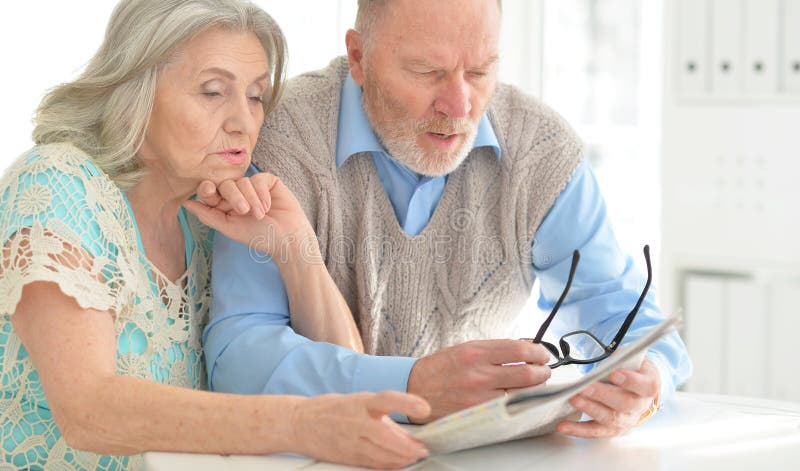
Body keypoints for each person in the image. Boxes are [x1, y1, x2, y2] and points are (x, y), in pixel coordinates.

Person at [207, 0, 693, 439]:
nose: (461, 106)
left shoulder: (540, 153)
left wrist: (647, 383)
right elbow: (239, 354)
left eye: (480, 72)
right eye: (427, 71)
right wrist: (413, 385)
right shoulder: (279, 139)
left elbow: (630, 320)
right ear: (358, 58)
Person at [0, 1, 432, 469]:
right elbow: (88, 410)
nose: (243, 122)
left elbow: (347, 380)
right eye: (212, 91)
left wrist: (297, 250)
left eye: (255, 96)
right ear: (136, 93)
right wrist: (296, 424)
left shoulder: (211, 222)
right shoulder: (57, 183)